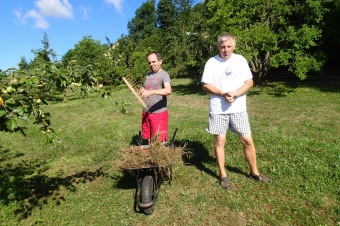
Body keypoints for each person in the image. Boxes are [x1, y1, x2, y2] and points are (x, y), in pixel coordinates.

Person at [201, 32, 271, 190]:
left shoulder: (240, 60)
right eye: (222, 47)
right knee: (220, 140)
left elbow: (250, 81)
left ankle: (254, 172)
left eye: (228, 46)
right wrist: (222, 93)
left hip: (238, 108)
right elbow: (205, 85)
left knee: (247, 140)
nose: (225, 50)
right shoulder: (211, 62)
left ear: (234, 46)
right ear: (218, 47)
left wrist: (236, 93)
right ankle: (223, 175)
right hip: (218, 108)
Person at [139, 51, 172, 143]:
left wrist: (152, 92)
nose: (151, 64)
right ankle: (151, 155)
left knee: (159, 141)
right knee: (149, 138)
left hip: (158, 112)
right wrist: (142, 89)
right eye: (149, 63)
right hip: (146, 111)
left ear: (160, 61)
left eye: (154, 62)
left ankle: (160, 156)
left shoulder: (164, 74)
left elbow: (168, 90)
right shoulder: (148, 75)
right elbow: (145, 88)